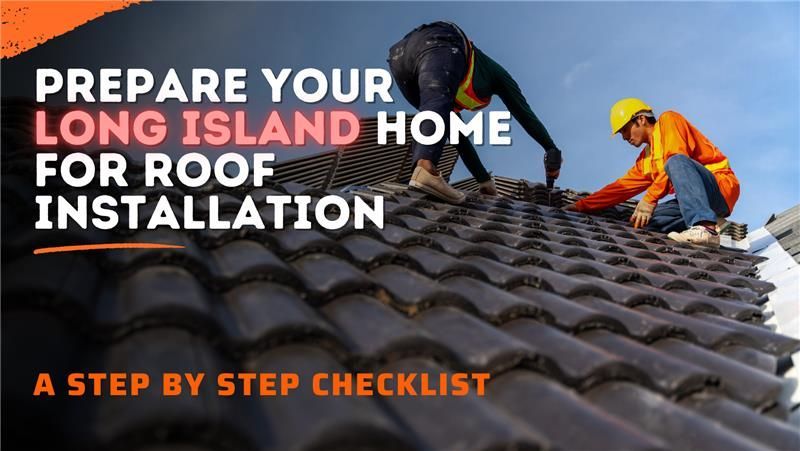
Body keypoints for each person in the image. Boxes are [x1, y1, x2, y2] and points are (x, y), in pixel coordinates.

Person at [387, 21, 563, 203]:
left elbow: (459, 138)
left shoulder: (447, 93)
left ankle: (419, 174)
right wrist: (550, 148)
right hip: (441, 41)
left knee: (433, 115)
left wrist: (483, 180)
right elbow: (523, 113)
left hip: (399, 59)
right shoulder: (497, 75)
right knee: (436, 104)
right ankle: (425, 168)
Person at [564, 98, 739, 248]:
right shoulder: (646, 160)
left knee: (675, 161)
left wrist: (649, 199)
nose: (624, 137)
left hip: (719, 187)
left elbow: (676, 157)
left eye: (625, 130)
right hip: (692, 200)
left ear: (640, 119)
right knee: (645, 222)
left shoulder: (668, 120)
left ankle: (706, 227)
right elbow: (620, 188)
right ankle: (712, 223)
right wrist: (581, 206)